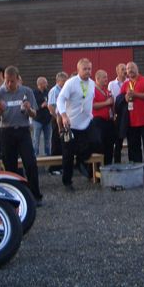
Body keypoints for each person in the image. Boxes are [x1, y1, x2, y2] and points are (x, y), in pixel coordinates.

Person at [0, 66, 43, 204]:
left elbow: (34, 114)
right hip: (6, 131)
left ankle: (35, 195)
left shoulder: (26, 92)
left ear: (18, 79)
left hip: (23, 130)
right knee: (10, 166)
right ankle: (14, 197)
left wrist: (29, 109)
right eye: (7, 81)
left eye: (12, 81)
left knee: (30, 163)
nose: (9, 84)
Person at [56, 58, 96, 191]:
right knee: (68, 154)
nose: (88, 71)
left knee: (96, 142)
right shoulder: (71, 83)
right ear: (78, 70)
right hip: (71, 124)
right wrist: (63, 116)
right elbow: (60, 99)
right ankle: (67, 182)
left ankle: (80, 161)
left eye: (89, 69)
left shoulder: (92, 83)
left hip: (86, 122)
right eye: (85, 69)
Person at [93, 69, 115, 165]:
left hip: (108, 121)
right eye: (104, 77)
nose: (106, 79)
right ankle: (96, 168)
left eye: (106, 77)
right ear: (97, 78)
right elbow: (92, 105)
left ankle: (108, 166)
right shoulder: (93, 91)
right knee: (99, 146)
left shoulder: (107, 90)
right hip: (98, 122)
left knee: (109, 145)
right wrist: (106, 103)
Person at [47, 71, 68, 175]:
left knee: (63, 142)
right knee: (56, 143)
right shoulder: (54, 91)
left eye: (66, 81)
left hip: (63, 118)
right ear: (58, 81)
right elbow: (50, 106)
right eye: (63, 81)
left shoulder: (65, 90)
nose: (65, 83)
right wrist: (57, 118)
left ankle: (62, 165)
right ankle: (53, 168)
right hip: (56, 119)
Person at [107, 63, 127, 163]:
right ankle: (117, 161)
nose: (125, 71)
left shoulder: (130, 82)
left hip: (128, 114)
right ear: (117, 71)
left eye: (125, 69)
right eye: (122, 69)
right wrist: (112, 113)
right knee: (118, 140)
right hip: (117, 115)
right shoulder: (111, 84)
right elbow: (110, 99)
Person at [32, 76, 52, 157]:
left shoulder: (48, 92)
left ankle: (48, 154)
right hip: (37, 119)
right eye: (45, 83)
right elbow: (33, 105)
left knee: (48, 139)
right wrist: (41, 106)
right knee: (36, 138)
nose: (47, 84)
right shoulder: (34, 93)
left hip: (47, 119)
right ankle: (35, 154)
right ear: (40, 84)